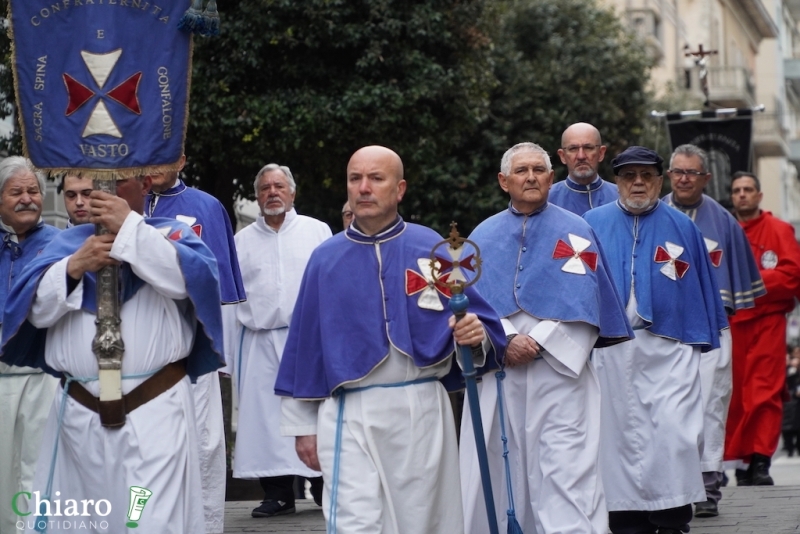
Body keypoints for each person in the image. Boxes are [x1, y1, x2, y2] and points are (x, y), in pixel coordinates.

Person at [275, 145, 506, 533]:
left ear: (399, 189)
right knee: (354, 523)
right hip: (348, 412)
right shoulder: (324, 259)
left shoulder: (429, 248)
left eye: (376, 179)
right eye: (355, 179)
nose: (363, 188)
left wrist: (476, 335)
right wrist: (302, 426)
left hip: (419, 406)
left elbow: (478, 321)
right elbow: (304, 345)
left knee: (423, 523)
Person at [0, 174, 224, 533]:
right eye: (83, 192)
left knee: (150, 523)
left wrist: (130, 232)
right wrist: (73, 268)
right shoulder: (61, 248)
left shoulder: (167, 235)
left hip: (154, 412)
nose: (97, 197)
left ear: (144, 185)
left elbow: (188, 282)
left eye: (113, 183)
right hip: (77, 417)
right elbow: (34, 312)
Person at [460, 142, 633, 534]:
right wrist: (504, 339)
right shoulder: (482, 235)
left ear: (551, 177)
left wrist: (535, 340)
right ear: (504, 181)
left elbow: (588, 302)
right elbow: (469, 305)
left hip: (559, 377)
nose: (532, 177)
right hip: (500, 374)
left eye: (539, 169)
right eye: (521, 171)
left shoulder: (576, 230)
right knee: (501, 468)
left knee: (565, 472)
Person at [583, 146, 728, 534]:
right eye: (629, 175)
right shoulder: (591, 224)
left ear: (659, 181)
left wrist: (700, 342)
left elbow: (702, 292)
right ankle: (627, 520)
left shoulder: (684, 227)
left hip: (669, 349)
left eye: (646, 176)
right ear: (617, 180)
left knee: (674, 436)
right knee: (616, 441)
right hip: (610, 349)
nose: (638, 183)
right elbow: (577, 285)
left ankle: (673, 518)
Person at [145, 155, 245, 533]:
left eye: (164, 157)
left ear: (182, 160)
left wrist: (220, 351)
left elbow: (220, 286)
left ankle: (207, 524)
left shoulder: (205, 206)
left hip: (192, 342)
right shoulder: (123, 203)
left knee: (203, 441)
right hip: (142, 346)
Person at [663, 144, 765, 517]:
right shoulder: (654, 216)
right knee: (667, 409)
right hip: (663, 330)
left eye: (692, 172)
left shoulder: (724, 222)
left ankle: (707, 488)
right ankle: (672, 487)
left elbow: (739, 287)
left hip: (711, 328)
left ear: (706, 178)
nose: (684, 178)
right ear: (669, 175)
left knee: (710, 405)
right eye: (678, 172)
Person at [226, 164, 331, 518]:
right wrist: (226, 357)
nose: (272, 192)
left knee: (312, 412)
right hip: (259, 341)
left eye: (279, 186)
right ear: (257, 196)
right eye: (265, 188)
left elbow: (331, 287)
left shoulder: (317, 231)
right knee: (266, 420)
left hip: (307, 341)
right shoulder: (241, 242)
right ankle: (278, 493)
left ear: (292, 192)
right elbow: (230, 300)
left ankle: (322, 488)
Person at [725, 171, 800, 486]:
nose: (742, 194)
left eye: (748, 189)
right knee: (733, 395)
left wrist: (749, 281)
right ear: (732, 197)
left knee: (764, 393)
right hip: (732, 324)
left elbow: (792, 276)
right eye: (737, 190)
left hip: (768, 324)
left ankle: (760, 460)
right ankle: (739, 461)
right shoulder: (723, 229)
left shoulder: (779, 230)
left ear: (758, 195)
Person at [0, 157, 60, 534]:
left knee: (36, 470)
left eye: (33, 191)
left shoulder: (61, 242)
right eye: (16, 192)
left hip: (43, 376)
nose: (27, 199)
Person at [549, 122, 617, 215]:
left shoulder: (621, 197)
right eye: (573, 148)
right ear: (562, 156)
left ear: (601, 153)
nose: (581, 156)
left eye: (588, 148)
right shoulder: (547, 199)